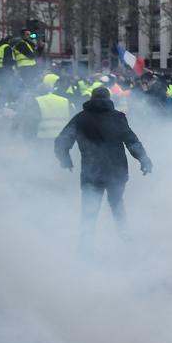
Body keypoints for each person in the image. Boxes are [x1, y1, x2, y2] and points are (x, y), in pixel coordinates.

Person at [54, 87, 152, 245]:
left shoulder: (81, 118)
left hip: (91, 174)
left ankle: (85, 248)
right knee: (117, 204)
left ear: (91, 98)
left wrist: (65, 160)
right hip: (116, 172)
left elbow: (61, 141)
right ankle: (125, 240)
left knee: (89, 211)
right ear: (109, 99)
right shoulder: (118, 117)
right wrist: (144, 160)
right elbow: (132, 141)